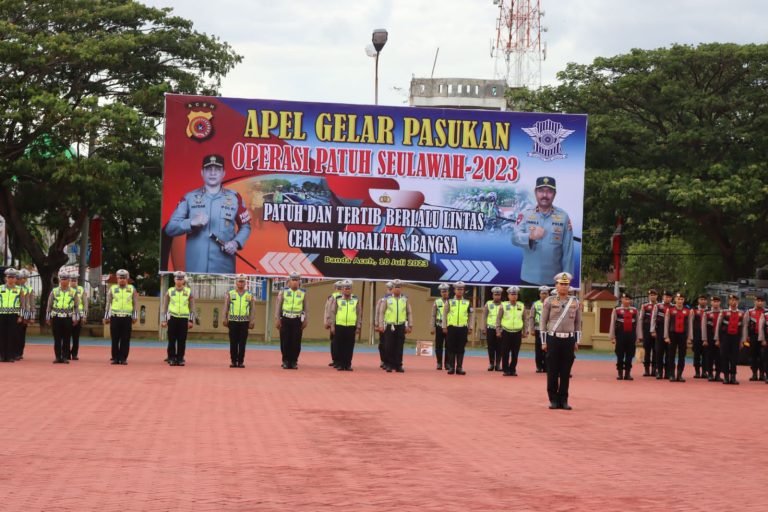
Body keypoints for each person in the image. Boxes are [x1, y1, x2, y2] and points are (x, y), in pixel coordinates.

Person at [165, 154, 252, 274]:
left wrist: (235, 243)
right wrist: (190, 222)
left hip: (224, 269)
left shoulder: (234, 197)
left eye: (217, 169)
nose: (213, 173)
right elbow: (170, 228)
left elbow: (246, 226)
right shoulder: (189, 198)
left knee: (224, 294)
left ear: (223, 173)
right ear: (202, 172)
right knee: (194, 294)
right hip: (195, 270)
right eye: (208, 169)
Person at [512, 176, 574, 285]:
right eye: (541, 191)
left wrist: (565, 279)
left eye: (549, 191)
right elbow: (514, 238)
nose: (544, 195)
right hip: (528, 279)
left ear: (554, 194)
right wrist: (530, 236)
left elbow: (568, 251)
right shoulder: (525, 214)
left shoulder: (563, 217)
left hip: (554, 281)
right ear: (535, 193)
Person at [540, 272, 581, 410]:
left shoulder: (575, 301)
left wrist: (577, 341)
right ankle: (553, 399)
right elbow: (543, 322)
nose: (564, 287)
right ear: (556, 285)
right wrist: (544, 341)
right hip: (553, 338)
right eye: (561, 284)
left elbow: (577, 323)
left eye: (566, 284)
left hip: (568, 339)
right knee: (552, 370)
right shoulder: (549, 301)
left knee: (565, 371)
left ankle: (564, 400)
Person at [104, 269, 138, 365]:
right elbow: (108, 303)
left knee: (125, 338)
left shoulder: (132, 289)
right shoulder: (112, 289)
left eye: (124, 278)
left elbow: (135, 303)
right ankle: (115, 358)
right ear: (117, 279)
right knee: (115, 338)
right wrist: (106, 317)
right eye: (120, 278)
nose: (122, 280)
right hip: (115, 317)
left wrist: (135, 316)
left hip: (127, 317)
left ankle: (123, 358)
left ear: (127, 278)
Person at [161, 271, 195, 366]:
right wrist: (164, 319)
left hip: (184, 318)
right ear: (174, 280)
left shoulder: (188, 292)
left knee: (182, 340)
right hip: (172, 318)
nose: (179, 281)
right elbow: (165, 307)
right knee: (171, 339)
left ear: (184, 280)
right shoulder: (169, 291)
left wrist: (191, 320)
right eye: (177, 279)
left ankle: (180, 358)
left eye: (181, 279)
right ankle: (171, 358)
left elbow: (192, 307)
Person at [378, 279, 412, 373]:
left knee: (399, 346)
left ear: (402, 288)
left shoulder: (404, 299)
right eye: (395, 287)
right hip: (390, 325)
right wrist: (381, 325)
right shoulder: (387, 299)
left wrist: (410, 325)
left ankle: (398, 365)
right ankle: (388, 364)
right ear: (392, 288)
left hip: (401, 325)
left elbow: (409, 312)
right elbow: (382, 312)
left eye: (399, 287)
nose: (397, 289)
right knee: (389, 345)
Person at [326, 280, 361, 371]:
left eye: (349, 288)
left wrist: (358, 326)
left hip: (351, 326)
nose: (347, 290)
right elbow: (333, 313)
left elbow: (359, 314)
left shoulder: (355, 300)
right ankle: (340, 364)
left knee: (349, 346)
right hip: (339, 325)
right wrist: (332, 326)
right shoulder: (338, 299)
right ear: (342, 289)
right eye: (345, 288)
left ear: (351, 289)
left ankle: (347, 364)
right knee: (339, 345)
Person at [45, 270, 79, 364]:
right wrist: (48, 317)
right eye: (62, 279)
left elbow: (76, 306)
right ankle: (57, 357)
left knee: (67, 338)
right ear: (60, 280)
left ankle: (64, 357)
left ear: (68, 280)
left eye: (66, 279)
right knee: (57, 338)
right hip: (56, 317)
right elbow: (49, 305)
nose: (64, 281)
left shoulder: (73, 292)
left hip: (67, 317)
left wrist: (76, 317)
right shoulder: (54, 291)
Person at [274, 272, 306, 370]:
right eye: (293, 280)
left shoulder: (303, 293)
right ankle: (285, 360)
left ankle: (294, 361)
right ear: (289, 281)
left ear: (299, 281)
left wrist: (305, 320)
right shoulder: (283, 292)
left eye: (297, 280)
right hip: (285, 319)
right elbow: (278, 306)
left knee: (296, 341)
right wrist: (277, 319)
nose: (295, 282)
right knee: (285, 341)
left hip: (297, 320)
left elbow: (305, 308)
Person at [442, 281, 474, 375]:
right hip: (451, 328)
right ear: (454, 290)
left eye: (461, 289)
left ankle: (459, 367)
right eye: (458, 289)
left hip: (463, 328)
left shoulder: (467, 302)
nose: (460, 291)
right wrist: (444, 326)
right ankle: (451, 367)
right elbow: (444, 314)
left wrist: (470, 327)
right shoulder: (450, 301)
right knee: (451, 347)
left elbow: (471, 315)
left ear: (463, 290)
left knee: (461, 348)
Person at [714, 294, 747, 385]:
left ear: (738, 302)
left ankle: (733, 376)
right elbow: (718, 326)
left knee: (734, 357)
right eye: (731, 300)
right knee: (724, 357)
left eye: (735, 300)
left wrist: (742, 341)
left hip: (736, 338)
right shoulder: (723, 312)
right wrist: (717, 339)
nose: (733, 302)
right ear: (729, 301)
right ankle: (725, 376)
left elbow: (744, 327)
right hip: (725, 337)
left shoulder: (741, 313)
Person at [224, 274, 255, 368]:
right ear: (236, 282)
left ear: (245, 283)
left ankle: (240, 361)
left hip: (244, 322)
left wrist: (252, 320)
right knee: (233, 342)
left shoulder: (249, 295)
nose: (241, 283)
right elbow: (226, 307)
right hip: (233, 321)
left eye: (243, 281)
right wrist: (224, 318)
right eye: (239, 281)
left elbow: (252, 309)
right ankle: (233, 361)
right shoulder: (230, 293)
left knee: (242, 342)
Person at [609, 292, 641, 380]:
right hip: (620, 335)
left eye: (628, 299)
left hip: (631, 335)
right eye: (625, 299)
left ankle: (627, 373)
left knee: (630, 355)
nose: (626, 301)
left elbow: (638, 324)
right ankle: (620, 373)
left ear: (631, 300)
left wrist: (638, 337)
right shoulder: (617, 310)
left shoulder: (635, 310)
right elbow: (613, 324)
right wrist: (612, 337)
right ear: (621, 300)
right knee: (620, 354)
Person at [496, 286, 527, 376]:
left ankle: (513, 369)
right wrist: (498, 330)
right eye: (512, 294)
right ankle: (506, 369)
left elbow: (525, 319)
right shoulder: (504, 305)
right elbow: (498, 318)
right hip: (506, 332)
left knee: (515, 352)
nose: (514, 296)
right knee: (505, 352)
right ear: (508, 295)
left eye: (515, 294)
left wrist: (525, 331)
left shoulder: (521, 305)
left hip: (517, 332)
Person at [663, 292, 692, 382]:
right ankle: (671, 374)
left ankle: (679, 375)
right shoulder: (670, 310)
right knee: (671, 355)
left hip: (683, 335)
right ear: (675, 300)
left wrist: (689, 337)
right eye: (678, 299)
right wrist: (666, 336)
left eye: (681, 299)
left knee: (682, 355)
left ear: (684, 300)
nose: (680, 301)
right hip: (672, 334)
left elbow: (689, 325)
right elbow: (666, 324)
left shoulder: (688, 311)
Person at [0, 268, 23, 363]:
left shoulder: (19, 290)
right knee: (1, 335)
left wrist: (20, 316)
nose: (11, 279)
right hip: (1, 314)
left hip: (13, 315)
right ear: (6, 278)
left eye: (13, 277)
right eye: (9, 277)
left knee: (12, 335)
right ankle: (1, 356)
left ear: (15, 279)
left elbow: (22, 304)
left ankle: (10, 356)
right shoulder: (1, 288)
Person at [650, 291, 673, 379]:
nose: (667, 298)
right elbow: (653, 318)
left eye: (669, 297)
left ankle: (667, 372)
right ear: (663, 297)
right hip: (659, 331)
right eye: (666, 297)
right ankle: (659, 371)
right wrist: (653, 330)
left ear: (671, 298)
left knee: (669, 353)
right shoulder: (658, 306)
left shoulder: (673, 307)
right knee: (659, 352)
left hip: (670, 332)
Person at [481, 287, 504, 371]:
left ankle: (498, 364)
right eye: (495, 295)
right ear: (492, 295)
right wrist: (483, 328)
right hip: (490, 328)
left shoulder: (504, 304)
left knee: (500, 347)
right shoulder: (488, 304)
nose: (497, 296)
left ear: (501, 295)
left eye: (498, 295)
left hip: (500, 329)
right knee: (491, 346)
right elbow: (484, 316)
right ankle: (491, 363)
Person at [701, 296, 723, 382]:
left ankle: (718, 374)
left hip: (720, 337)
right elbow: (703, 326)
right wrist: (704, 339)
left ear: (720, 303)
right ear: (711, 303)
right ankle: (710, 373)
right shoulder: (707, 313)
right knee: (709, 356)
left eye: (717, 302)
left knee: (719, 357)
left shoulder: (723, 312)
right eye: (714, 302)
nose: (716, 303)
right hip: (709, 336)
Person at [528, 285, 550, 373]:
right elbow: (531, 317)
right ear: (539, 294)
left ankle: (546, 366)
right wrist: (532, 329)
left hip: (549, 330)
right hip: (538, 329)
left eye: (546, 293)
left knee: (548, 349)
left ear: (548, 294)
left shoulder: (551, 303)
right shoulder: (536, 304)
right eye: (542, 293)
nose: (544, 295)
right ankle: (539, 366)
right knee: (538, 349)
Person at [430, 283, 450, 370]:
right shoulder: (437, 302)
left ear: (448, 292)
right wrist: (432, 326)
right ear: (440, 293)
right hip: (439, 325)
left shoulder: (451, 302)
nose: (444, 293)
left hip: (449, 326)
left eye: (445, 291)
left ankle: (447, 363)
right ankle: (439, 363)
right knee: (438, 345)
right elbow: (433, 315)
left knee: (448, 345)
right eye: (442, 292)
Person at [323, 281, 343, 367]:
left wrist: (327, 322)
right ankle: (337, 360)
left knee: (334, 342)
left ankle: (336, 360)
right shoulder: (343, 297)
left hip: (334, 322)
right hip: (339, 322)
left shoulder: (331, 297)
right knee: (337, 342)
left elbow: (327, 311)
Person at [639, 289, 659, 377]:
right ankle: (646, 369)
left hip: (657, 330)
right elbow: (641, 319)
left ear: (657, 296)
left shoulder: (659, 306)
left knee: (656, 350)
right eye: (651, 295)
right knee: (647, 350)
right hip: (647, 330)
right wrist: (640, 333)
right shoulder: (645, 306)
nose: (652, 296)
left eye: (654, 295)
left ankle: (654, 369)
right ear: (649, 296)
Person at [746, 295, 765, 382]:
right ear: (755, 302)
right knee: (753, 355)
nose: (759, 302)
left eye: (761, 301)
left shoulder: (766, 312)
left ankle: (762, 374)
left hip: (764, 337)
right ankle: (754, 374)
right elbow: (746, 325)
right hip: (753, 336)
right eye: (758, 301)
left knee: (763, 356)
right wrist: (746, 336)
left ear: (764, 302)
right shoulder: (749, 312)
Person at [375, 281, 394, 369]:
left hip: (394, 325)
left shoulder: (399, 300)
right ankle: (384, 360)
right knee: (383, 344)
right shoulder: (382, 300)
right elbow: (378, 313)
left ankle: (393, 361)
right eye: (389, 289)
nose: (390, 291)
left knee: (393, 344)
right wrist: (377, 324)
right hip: (383, 325)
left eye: (391, 289)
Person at [69, 270, 87, 360]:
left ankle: (74, 354)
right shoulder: (66, 289)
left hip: (78, 315)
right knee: (66, 336)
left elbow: (85, 303)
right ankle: (66, 353)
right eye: (72, 280)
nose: (73, 282)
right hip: (68, 315)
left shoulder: (81, 289)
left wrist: (84, 316)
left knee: (76, 337)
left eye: (75, 280)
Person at [15, 269, 32, 361]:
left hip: (24, 313)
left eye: (25, 278)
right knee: (13, 334)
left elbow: (29, 305)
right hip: (13, 313)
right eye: (21, 278)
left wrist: (29, 316)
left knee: (21, 334)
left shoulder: (28, 289)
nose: (22, 280)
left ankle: (19, 352)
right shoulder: (13, 288)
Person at [691, 294, 709, 378]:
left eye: (704, 299)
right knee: (696, 354)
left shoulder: (709, 311)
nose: (703, 301)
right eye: (701, 299)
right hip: (696, 335)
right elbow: (690, 323)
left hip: (707, 336)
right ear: (698, 300)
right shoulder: (694, 310)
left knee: (706, 354)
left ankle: (705, 371)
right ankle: (697, 371)